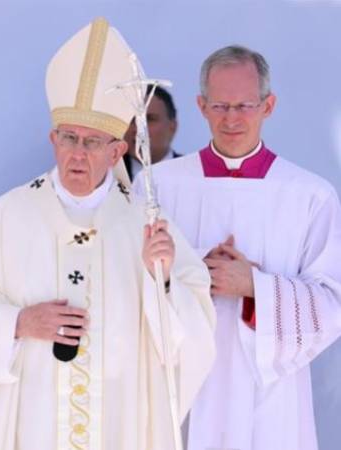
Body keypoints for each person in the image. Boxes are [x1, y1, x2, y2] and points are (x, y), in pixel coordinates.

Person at [0, 18, 216, 450]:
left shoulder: (147, 224)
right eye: (69, 138)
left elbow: (194, 337)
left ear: (117, 150)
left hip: (119, 421)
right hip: (30, 420)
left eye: (92, 141)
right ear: (53, 139)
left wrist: (161, 280)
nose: (78, 154)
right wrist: (17, 322)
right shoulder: (5, 218)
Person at [134, 45, 341, 450]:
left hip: (271, 395)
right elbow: (125, 282)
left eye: (245, 105)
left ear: (269, 105)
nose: (231, 118)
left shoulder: (309, 195)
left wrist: (254, 288)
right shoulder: (158, 187)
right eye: (220, 105)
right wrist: (183, 275)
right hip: (182, 383)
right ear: (201, 106)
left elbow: (332, 304)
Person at [123, 85, 180, 180]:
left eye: (149, 119)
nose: (138, 129)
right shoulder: (105, 175)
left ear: (172, 127)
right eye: (132, 119)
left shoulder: (195, 174)